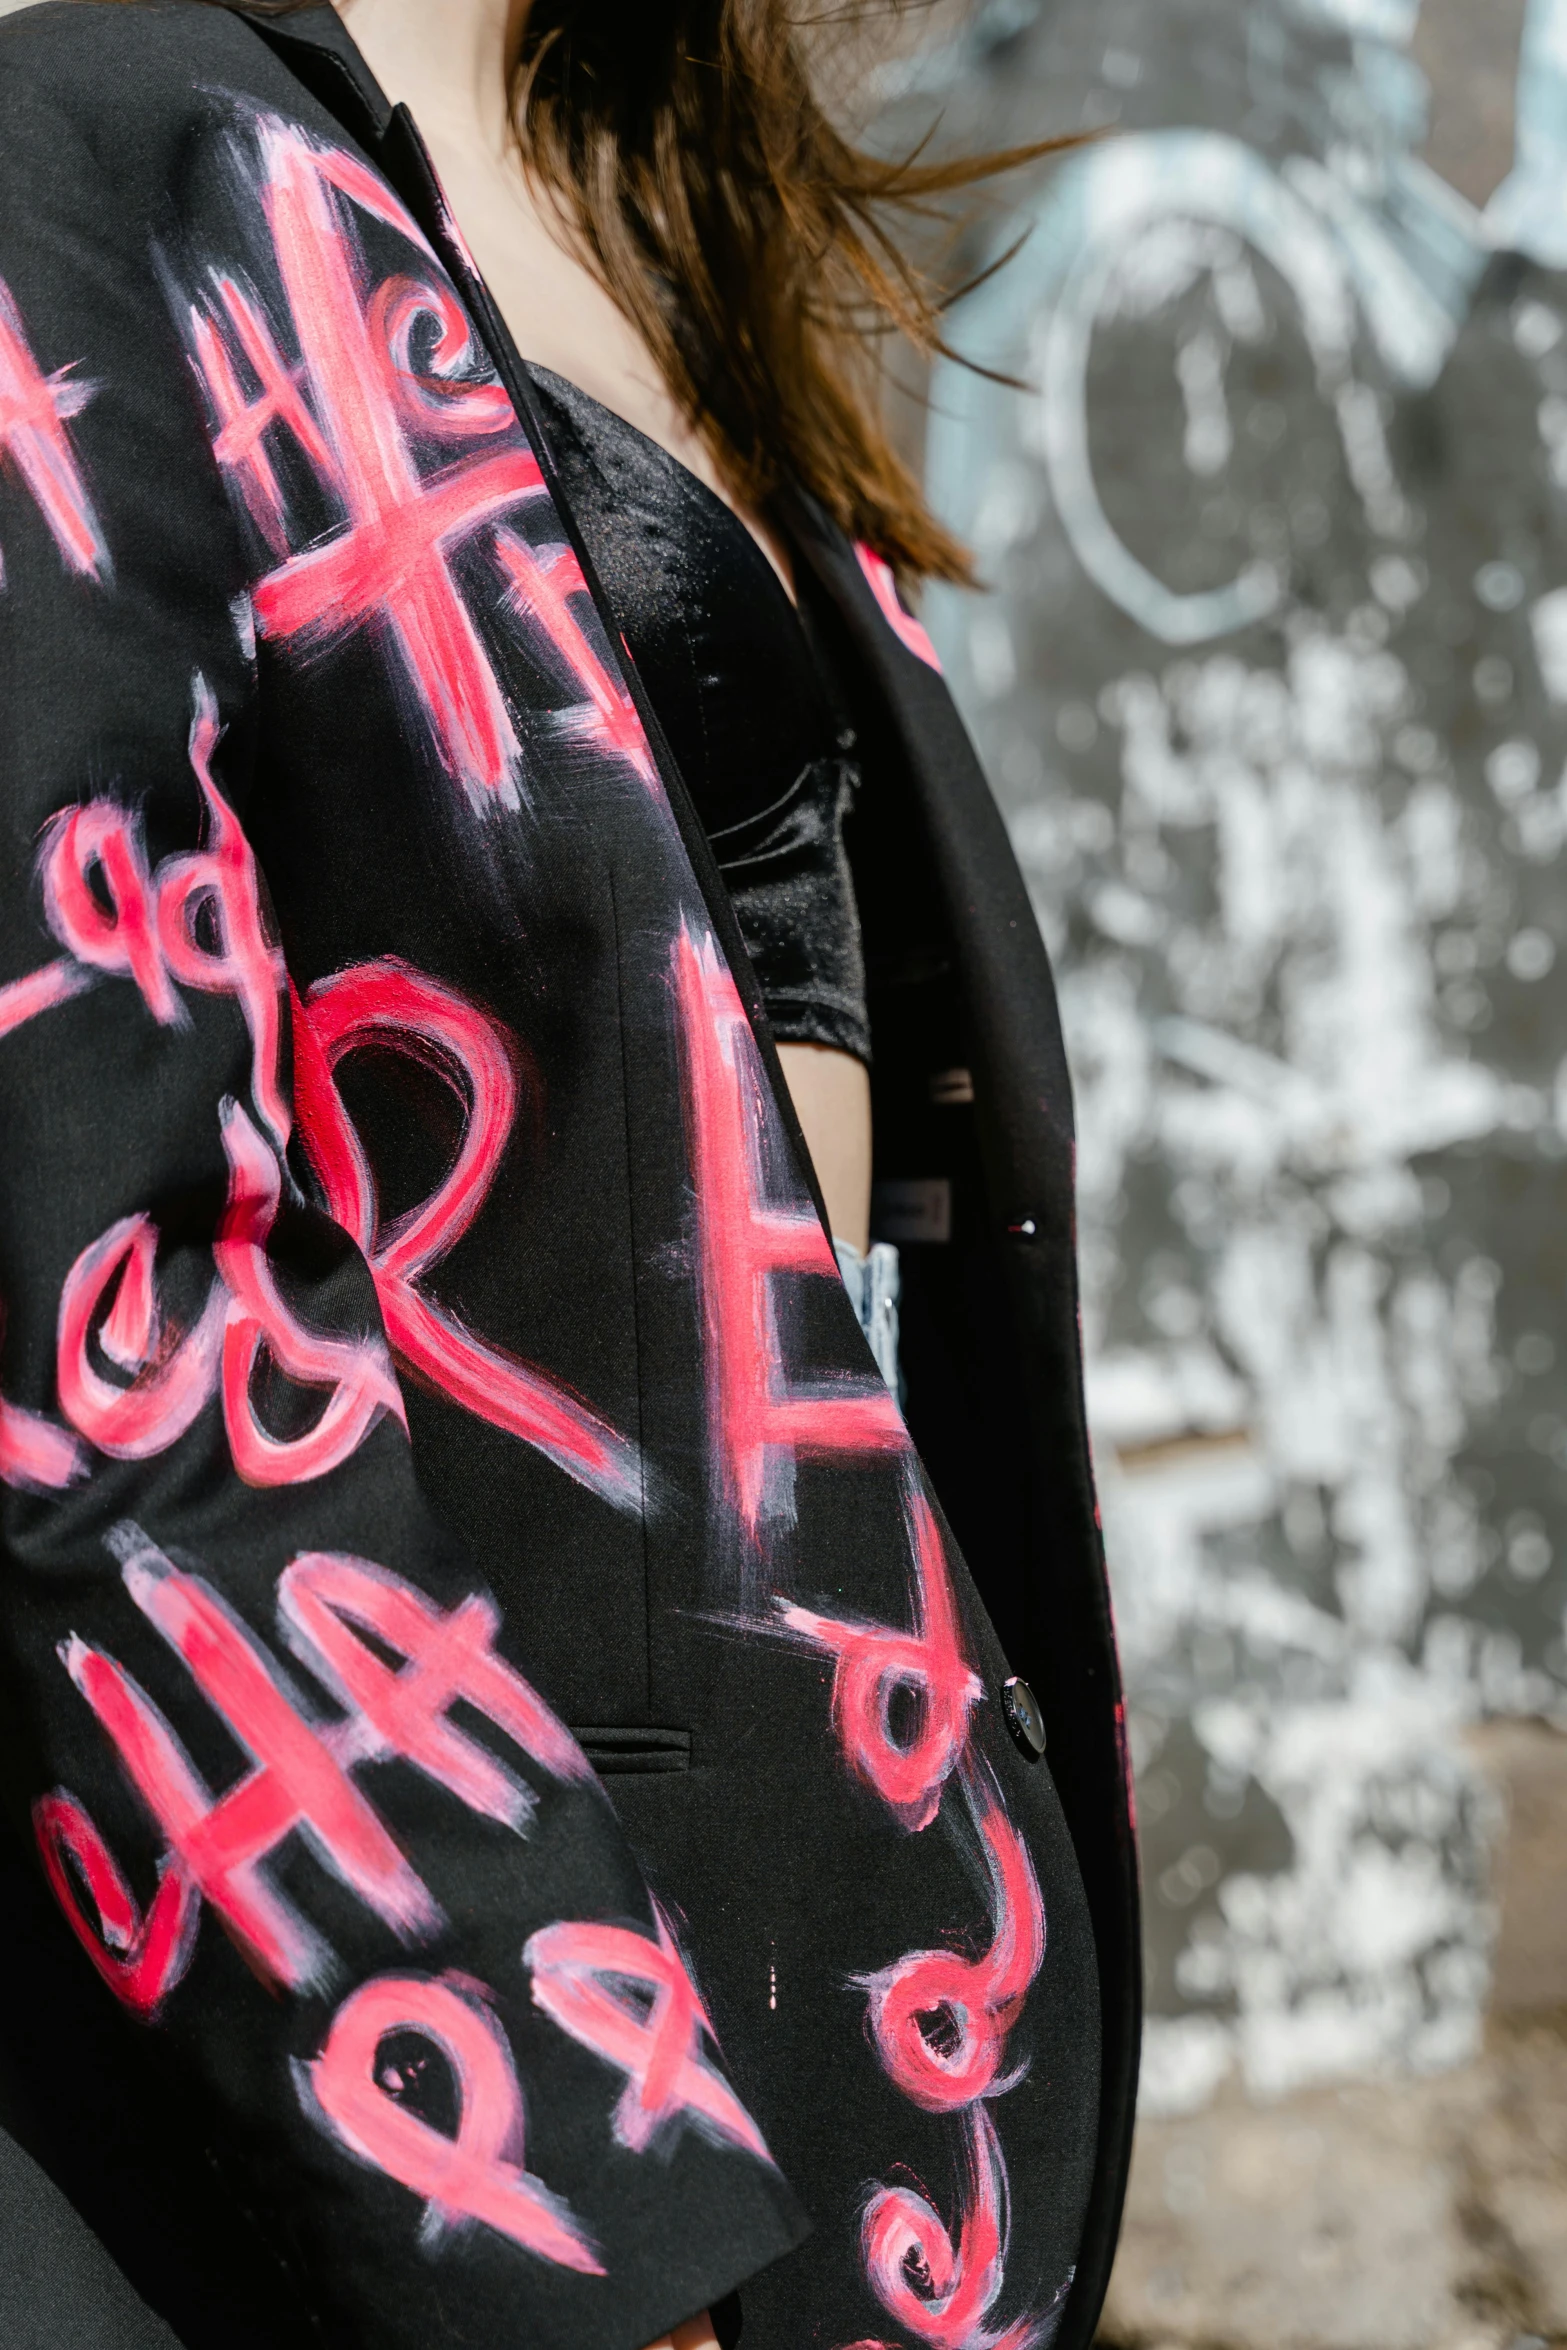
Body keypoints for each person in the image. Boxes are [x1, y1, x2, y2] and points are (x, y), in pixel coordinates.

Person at [0, 4, 1140, 2348]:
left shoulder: (627, 140)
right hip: (532, 2112)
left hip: (852, 2029)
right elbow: (96, 1330)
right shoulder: (75, 109)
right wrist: (563, 2230)